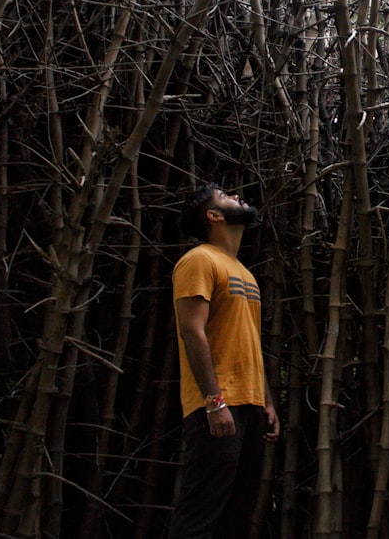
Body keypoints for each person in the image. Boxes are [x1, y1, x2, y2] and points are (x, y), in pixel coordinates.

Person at [168, 182, 280, 539]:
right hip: (217, 405)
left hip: (248, 406)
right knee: (200, 514)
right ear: (213, 216)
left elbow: (247, 340)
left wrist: (266, 401)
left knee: (237, 515)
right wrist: (214, 402)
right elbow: (191, 332)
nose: (238, 198)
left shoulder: (244, 272)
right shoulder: (198, 260)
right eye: (226, 198)